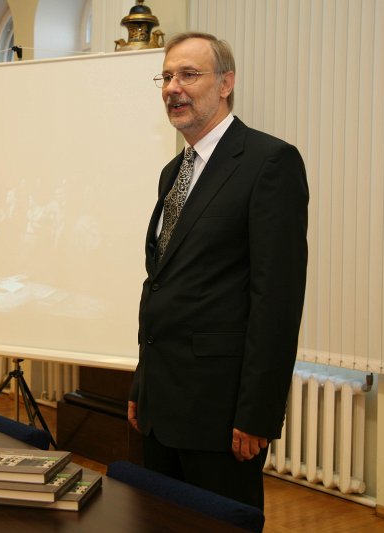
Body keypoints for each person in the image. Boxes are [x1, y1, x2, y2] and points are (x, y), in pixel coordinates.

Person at [127, 32, 308, 510]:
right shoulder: (173, 172)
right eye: (166, 76)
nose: (172, 87)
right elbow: (162, 283)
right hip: (160, 408)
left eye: (189, 74)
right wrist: (142, 383)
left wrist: (259, 414)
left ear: (226, 83)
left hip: (221, 416)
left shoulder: (270, 163)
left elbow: (278, 300)